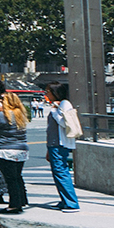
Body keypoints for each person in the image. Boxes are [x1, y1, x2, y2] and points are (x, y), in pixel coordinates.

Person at [0, 91, 30, 214]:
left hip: (5, 150)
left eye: (2, 101)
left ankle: (14, 205)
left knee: (10, 179)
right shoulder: (21, 115)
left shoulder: (2, 116)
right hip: (21, 150)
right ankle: (22, 199)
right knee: (17, 176)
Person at [44, 82, 81, 211]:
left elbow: (65, 123)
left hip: (59, 144)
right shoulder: (59, 105)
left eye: (48, 91)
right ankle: (64, 200)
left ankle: (71, 203)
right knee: (58, 172)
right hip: (54, 144)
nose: (46, 93)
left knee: (61, 172)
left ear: (55, 92)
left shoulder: (64, 104)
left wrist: (54, 110)